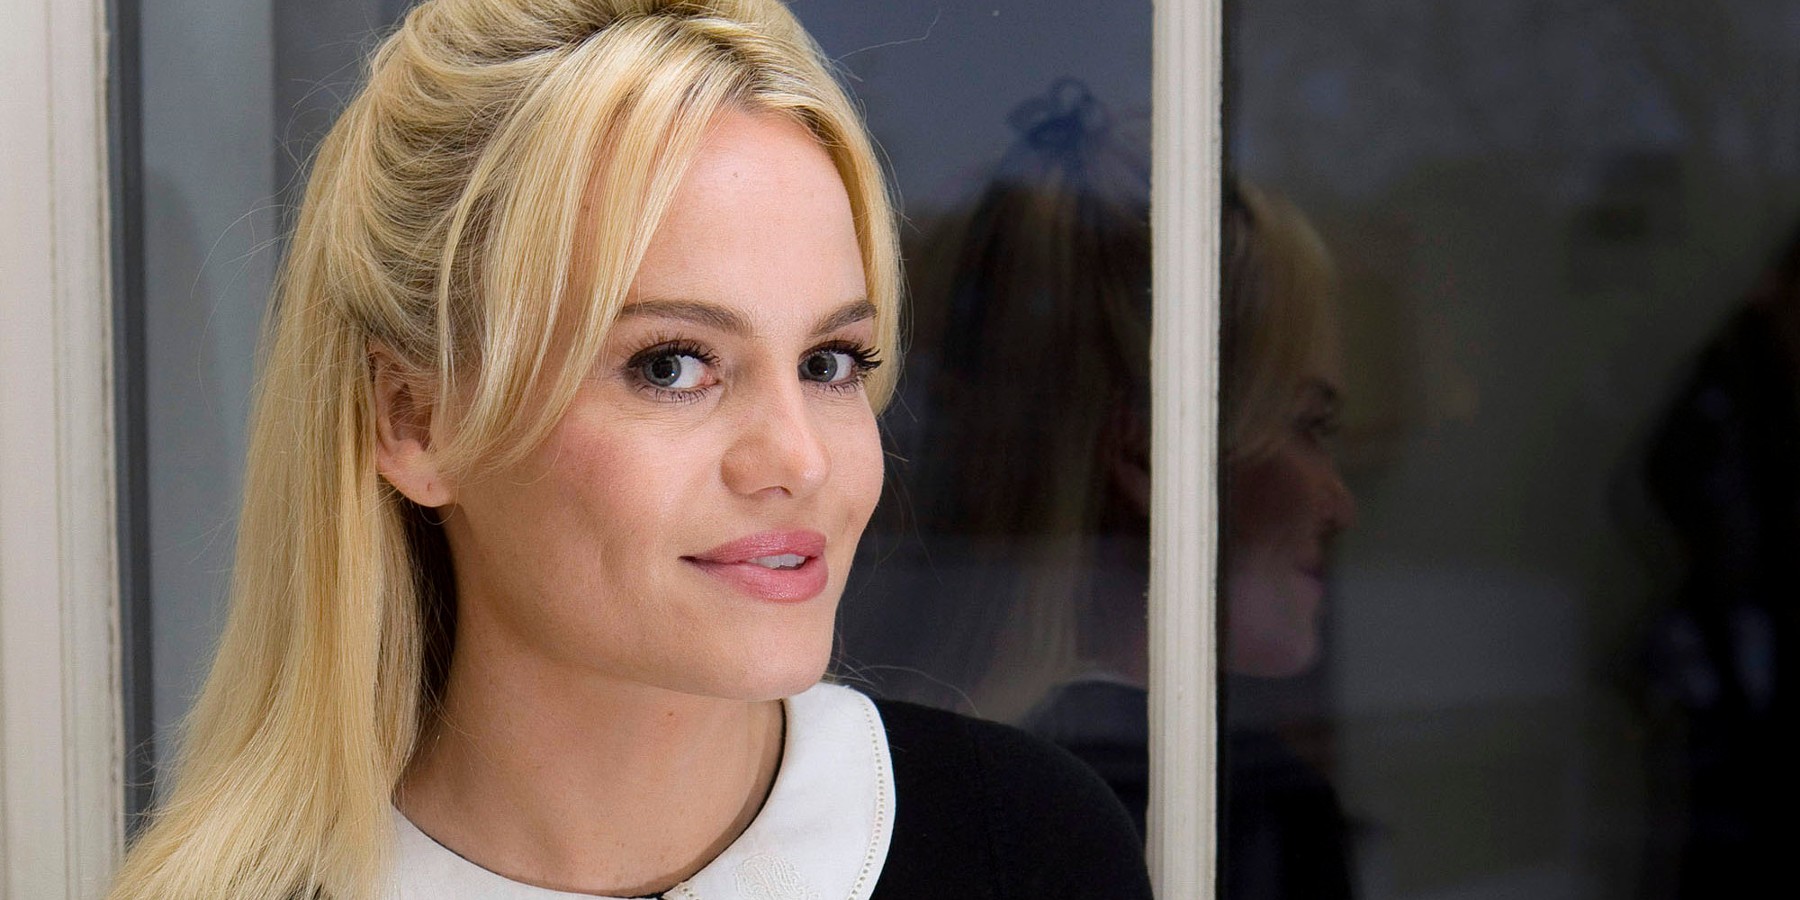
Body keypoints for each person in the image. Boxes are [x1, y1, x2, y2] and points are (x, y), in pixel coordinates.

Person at [106, 3, 1150, 898]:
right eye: (672, 365)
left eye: (830, 361)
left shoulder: (1033, 850)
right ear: (415, 421)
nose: (799, 459)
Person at [854, 80, 1357, 895]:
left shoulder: (861, 790)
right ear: (1155, 453)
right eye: (1307, 425)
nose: (1339, 502)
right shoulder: (1232, 816)